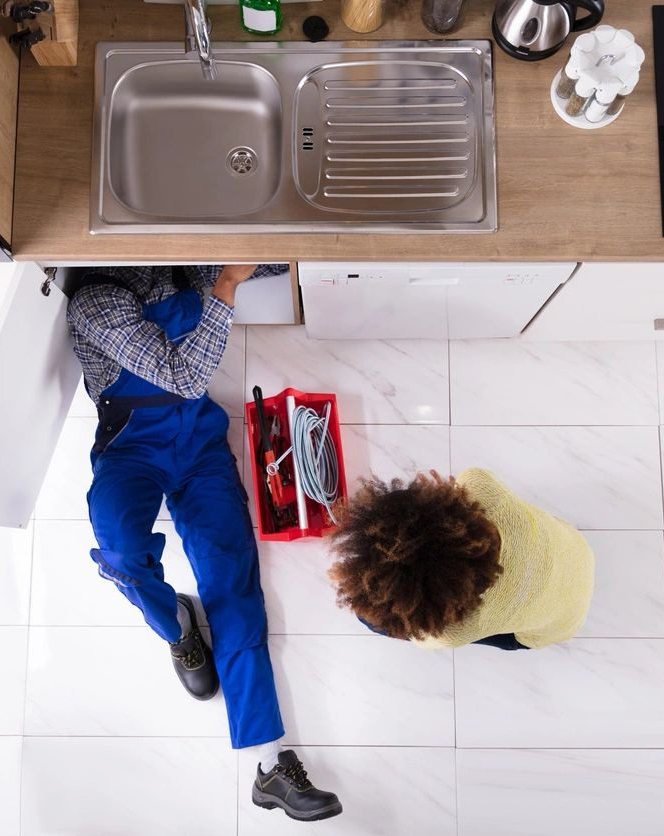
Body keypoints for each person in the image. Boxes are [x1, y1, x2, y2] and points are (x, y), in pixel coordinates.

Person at [67, 264, 342, 823]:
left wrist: (276, 249)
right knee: (121, 554)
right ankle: (178, 629)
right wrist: (225, 287)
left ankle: (270, 766)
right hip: (130, 451)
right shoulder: (94, 301)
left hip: (200, 447)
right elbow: (185, 376)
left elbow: (267, 258)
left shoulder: (183, 266)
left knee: (235, 590)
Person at [327, 469, 594, 651]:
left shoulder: (454, 632)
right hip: (575, 548)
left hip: (558, 625)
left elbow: (423, 635)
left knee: (370, 621)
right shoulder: (478, 483)